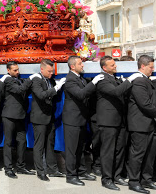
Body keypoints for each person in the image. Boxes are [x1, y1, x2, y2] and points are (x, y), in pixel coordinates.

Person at [95, 56, 140, 191]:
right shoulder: (102, 80)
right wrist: (129, 80)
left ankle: (117, 175)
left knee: (119, 149)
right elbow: (116, 92)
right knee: (108, 151)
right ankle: (107, 179)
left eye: (114, 64)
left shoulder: (114, 78)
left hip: (119, 120)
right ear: (104, 68)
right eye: (112, 65)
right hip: (108, 121)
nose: (115, 66)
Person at [63, 56, 103, 186]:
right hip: (72, 119)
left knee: (80, 148)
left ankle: (81, 170)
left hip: (80, 118)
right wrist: (94, 82)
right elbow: (81, 94)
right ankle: (71, 175)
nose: (83, 66)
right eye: (80, 64)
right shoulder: (70, 80)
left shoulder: (80, 78)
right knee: (72, 149)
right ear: (72, 66)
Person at [127, 55, 156, 194]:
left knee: (149, 154)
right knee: (138, 154)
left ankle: (146, 180)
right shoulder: (139, 81)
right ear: (143, 66)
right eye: (151, 67)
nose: (152, 70)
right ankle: (134, 182)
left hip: (148, 123)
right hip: (140, 123)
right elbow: (144, 103)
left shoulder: (144, 80)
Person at [29, 59, 65, 182]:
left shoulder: (48, 79)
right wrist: (56, 88)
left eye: (52, 71)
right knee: (39, 145)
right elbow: (41, 95)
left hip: (49, 117)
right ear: (42, 69)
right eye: (49, 71)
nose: (51, 74)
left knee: (50, 144)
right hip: (39, 118)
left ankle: (52, 169)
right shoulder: (36, 80)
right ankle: (40, 171)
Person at [1, 61, 34, 179]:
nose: (17, 72)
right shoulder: (8, 80)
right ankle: (8, 168)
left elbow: (24, 91)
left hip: (20, 115)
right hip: (9, 116)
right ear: (8, 70)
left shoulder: (19, 80)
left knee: (22, 141)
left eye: (18, 69)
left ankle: (21, 166)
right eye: (14, 70)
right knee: (9, 143)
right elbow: (19, 90)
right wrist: (30, 79)